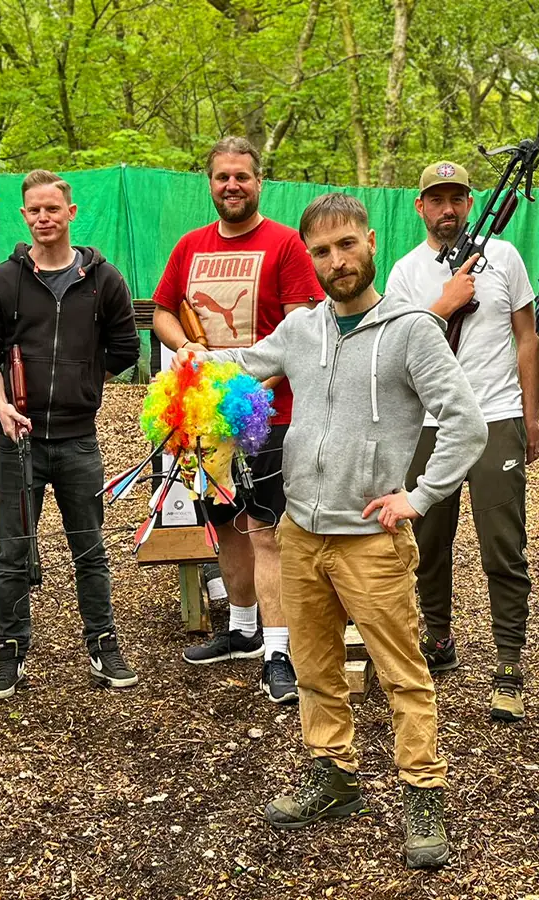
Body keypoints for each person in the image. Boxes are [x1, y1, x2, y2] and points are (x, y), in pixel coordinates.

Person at [178, 193, 487, 868]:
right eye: (321, 250)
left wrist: (421, 495)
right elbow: (239, 367)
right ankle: (334, 777)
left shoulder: (411, 329)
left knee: (404, 675)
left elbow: (466, 423)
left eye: (346, 245)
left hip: (371, 540)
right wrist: (189, 371)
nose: (336, 261)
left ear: (370, 242)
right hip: (300, 533)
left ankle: (423, 794)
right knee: (318, 670)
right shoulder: (303, 329)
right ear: (309, 258)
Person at [152, 136, 324, 703]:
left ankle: (279, 648)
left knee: (267, 532)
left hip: (271, 415)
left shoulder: (287, 245)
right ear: (211, 183)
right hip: (207, 422)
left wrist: (248, 392)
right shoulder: (189, 246)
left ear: (258, 183)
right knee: (223, 526)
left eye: (242, 177)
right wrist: (186, 352)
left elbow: (300, 333)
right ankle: (243, 630)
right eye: (222, 176)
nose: (232, 185)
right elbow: (161, 313)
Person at [0, 169, 141, 699]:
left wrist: (83, 384)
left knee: (89, 548)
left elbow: (125, 350)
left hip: (78, 441)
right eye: (34, 210)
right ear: (24, 216)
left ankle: (103, 644)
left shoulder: (105, 280)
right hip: (17, 438)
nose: (44, 218)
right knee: (13, 550)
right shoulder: (0, 281)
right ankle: (10, 651)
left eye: (53, 208)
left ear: (71, 214)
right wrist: (2, 407)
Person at [386, 160, 537, 722]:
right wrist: (444, 303)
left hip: (497, 417)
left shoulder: (507, 259)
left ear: (469, 204)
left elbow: (526, 335)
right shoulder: (405, 273)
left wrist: (533, 415)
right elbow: (397, 348)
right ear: (420, 206)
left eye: (457, 199)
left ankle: (507, 663)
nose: (447, 209)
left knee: (504, 547)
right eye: (436, 200)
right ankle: (439, 640)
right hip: (430, 426)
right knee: (427, 543)